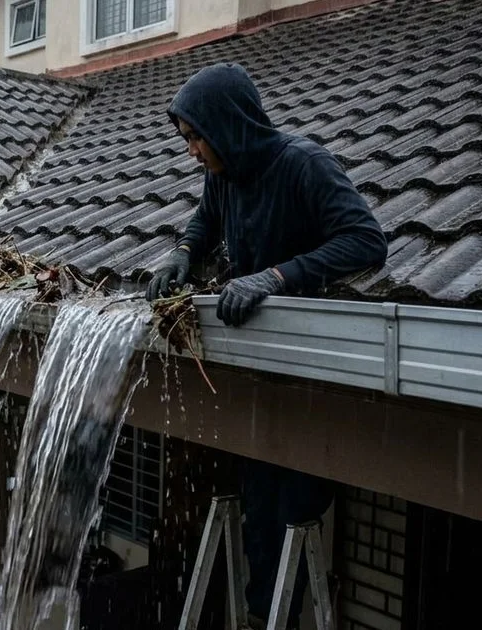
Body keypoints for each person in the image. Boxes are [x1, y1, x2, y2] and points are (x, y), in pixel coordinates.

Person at [147, 64, 387, 628]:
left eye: (196, 137)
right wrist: (181, 253)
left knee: (293, 509)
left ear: (229, 125)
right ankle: (258, 616)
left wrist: (276, 279)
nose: (192, 151)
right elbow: (203, 225)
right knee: (258, 507)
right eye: (186, 139)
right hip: (262, 371)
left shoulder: (303, 165)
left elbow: (366, 241)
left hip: (312, 372)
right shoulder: (225, 174)